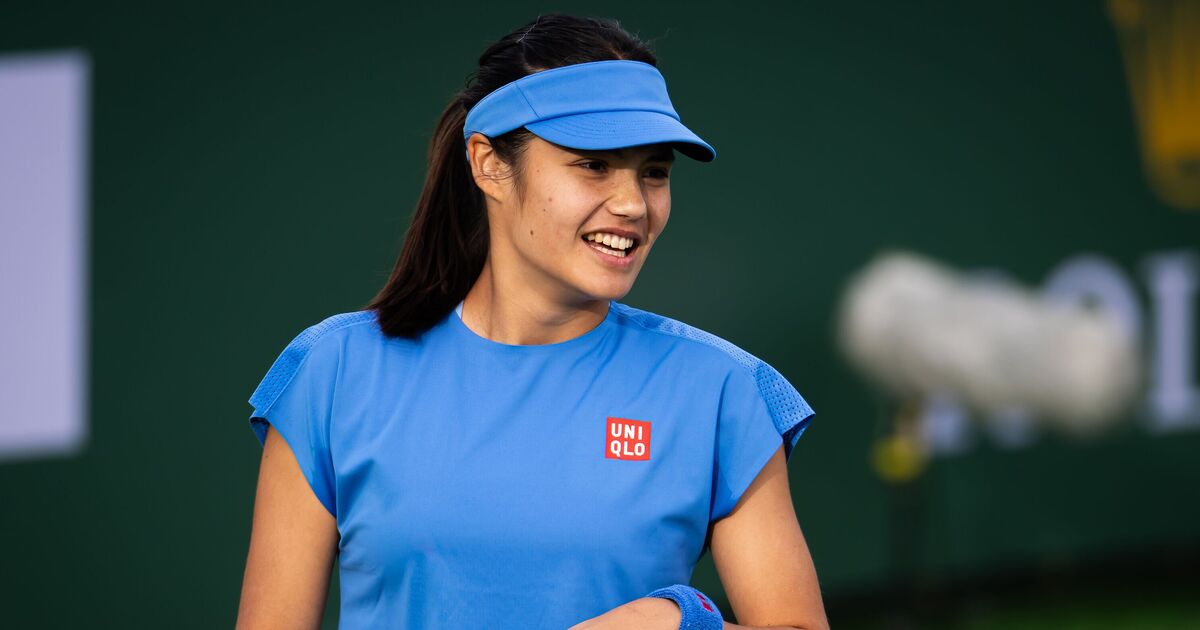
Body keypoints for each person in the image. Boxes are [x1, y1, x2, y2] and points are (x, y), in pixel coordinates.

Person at [237, 13, 827, 630]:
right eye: (593, 164)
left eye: (654, 172)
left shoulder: (722, 390)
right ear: (489, 163)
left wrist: (672, 623)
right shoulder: (334, 373)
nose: (633, 204)